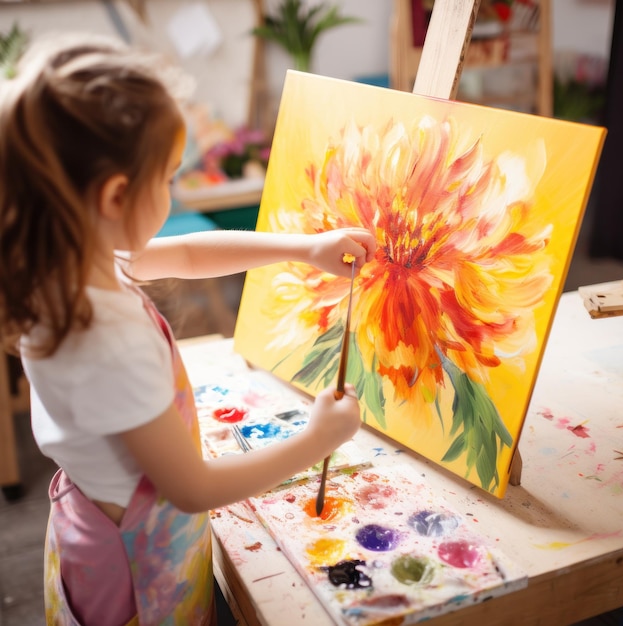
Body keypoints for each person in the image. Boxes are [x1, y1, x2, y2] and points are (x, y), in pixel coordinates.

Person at [0, 34, 375, 626]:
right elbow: (193, 488)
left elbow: (191, 255)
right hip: (134, 571)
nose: (173, 193)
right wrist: (317, 439)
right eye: (169, 178)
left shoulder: (73, 261)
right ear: (116, 195)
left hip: (106, 525)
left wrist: (306, 247)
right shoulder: (102, 338)